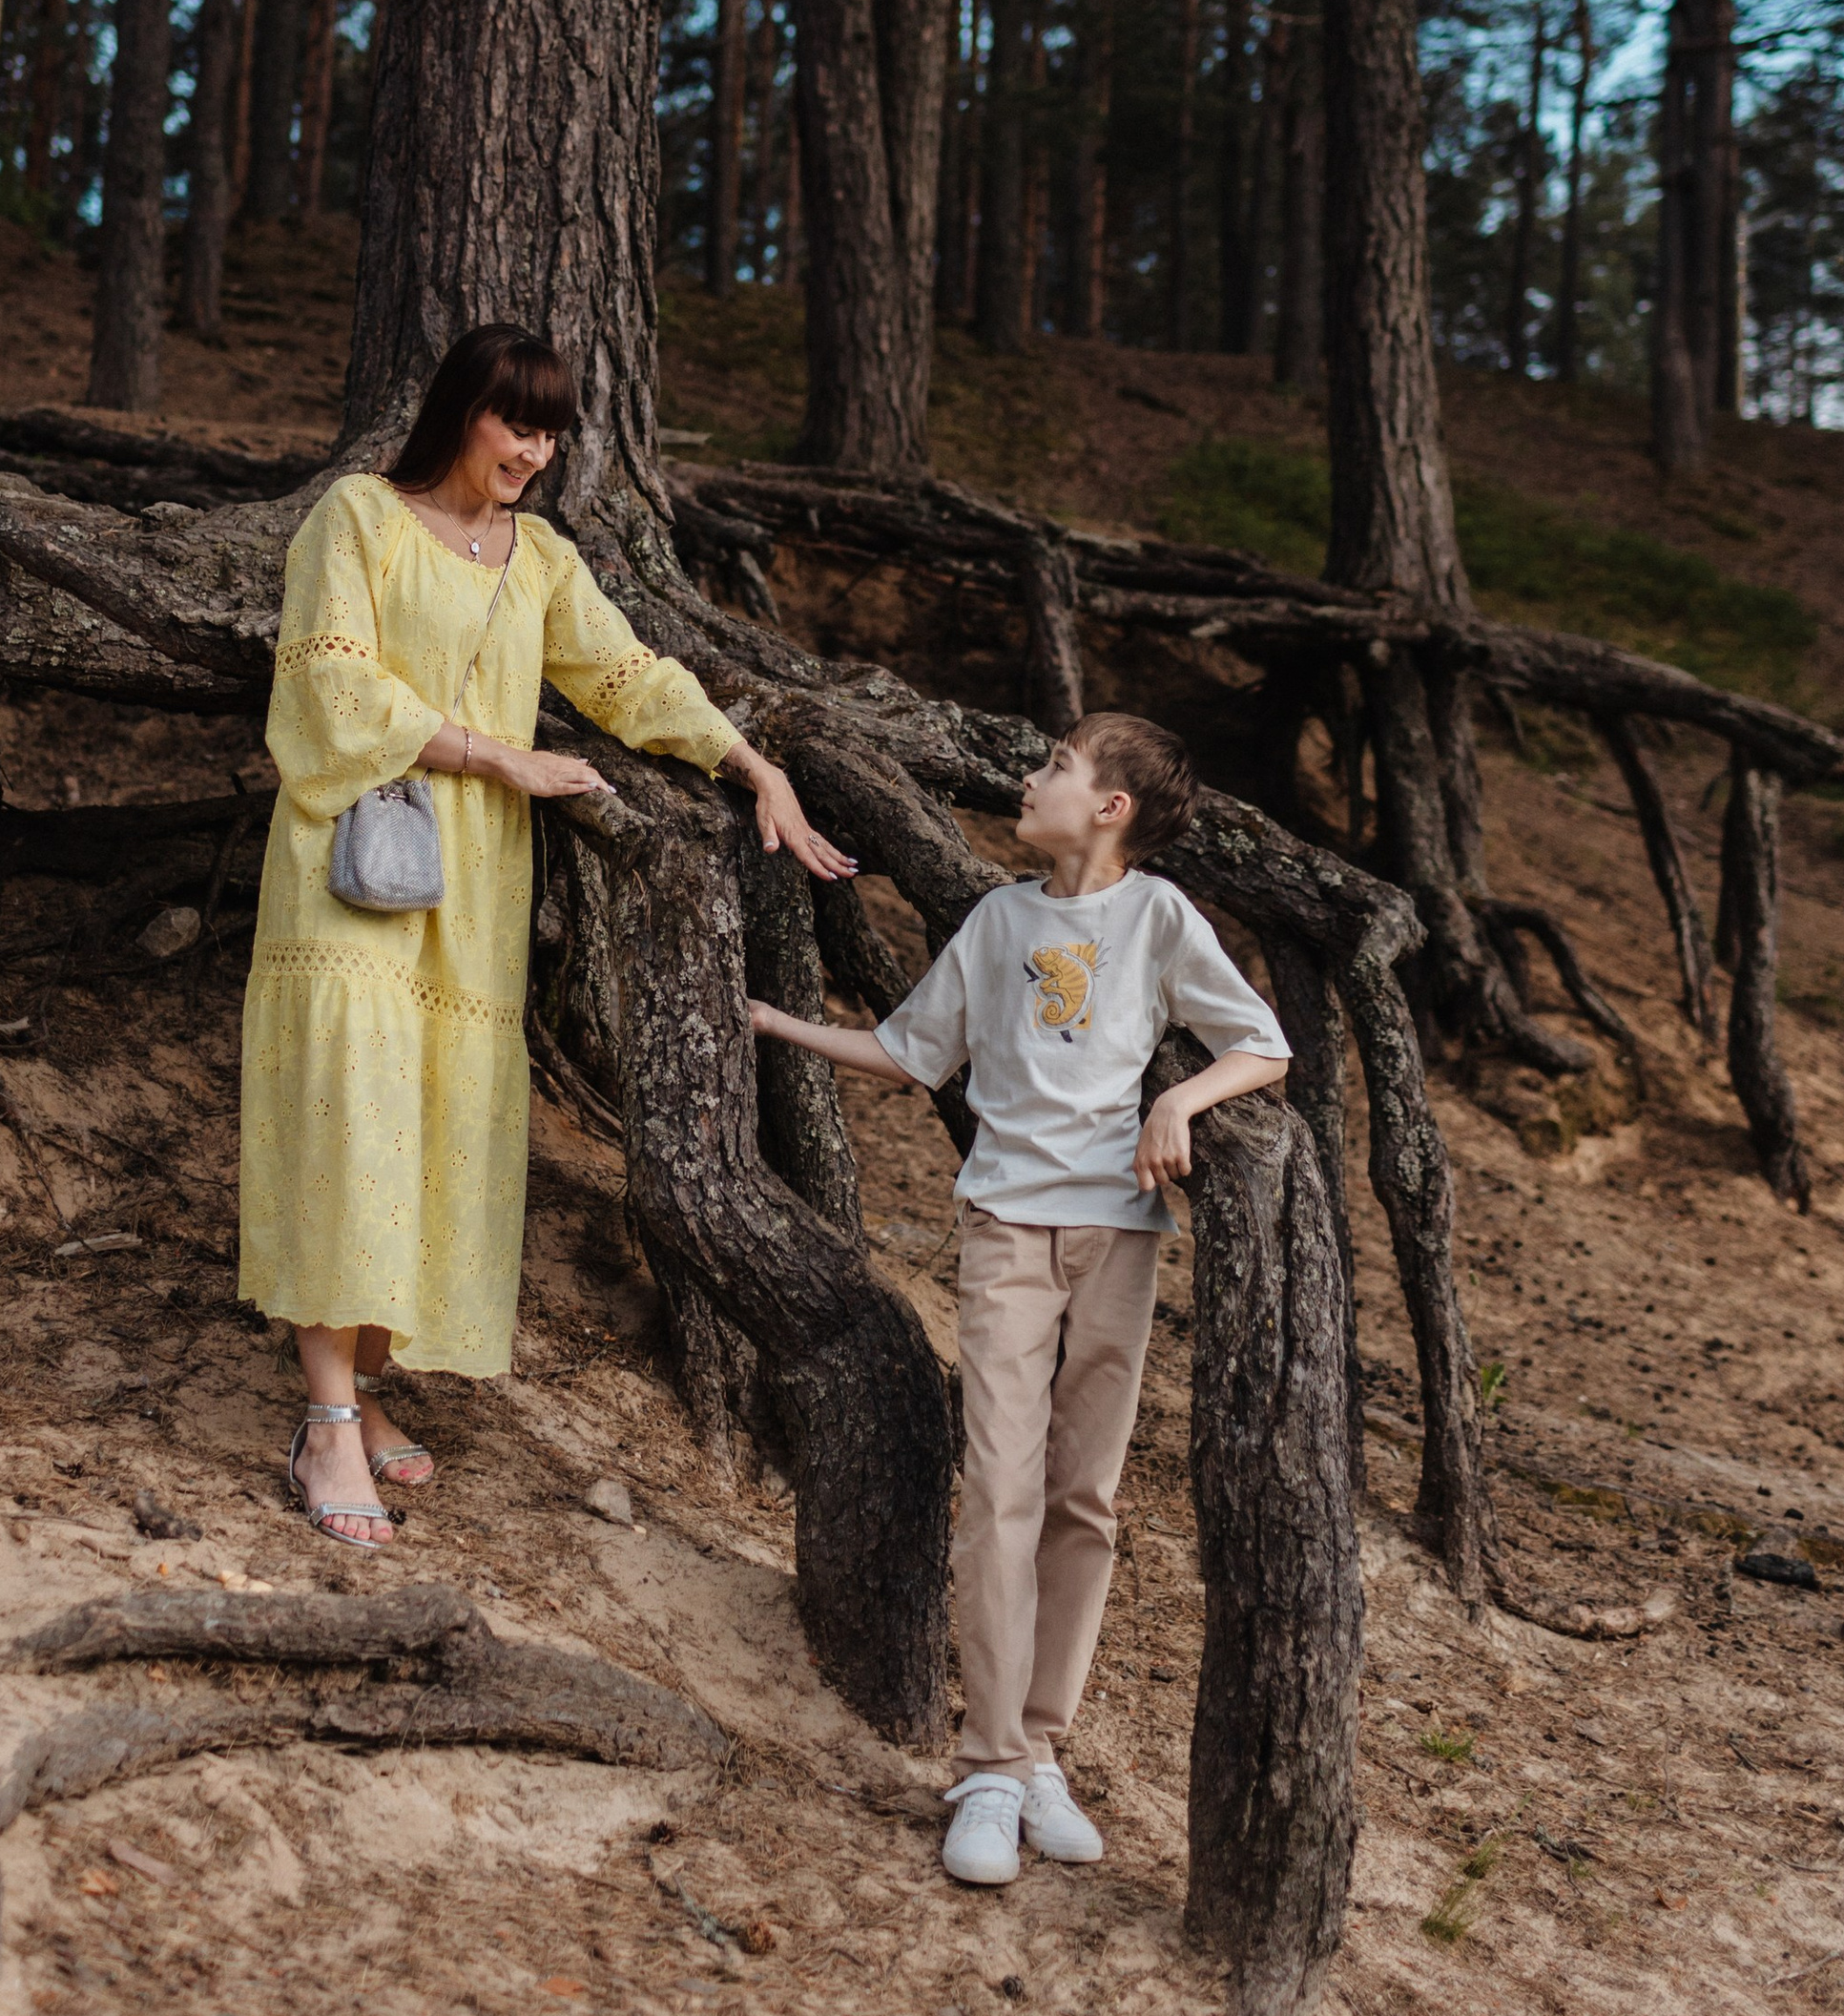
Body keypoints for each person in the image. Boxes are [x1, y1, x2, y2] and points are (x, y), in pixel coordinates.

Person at [242, 322, 855, 1547]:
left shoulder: (538, 559)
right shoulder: (355, 519)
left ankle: (359, 1391)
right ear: (460, 412)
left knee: (420, 1115)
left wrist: (751, 765)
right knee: (349, 1108)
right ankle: (321, 1422)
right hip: (353, 858)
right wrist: (496, 755)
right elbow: (330, 683)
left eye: (552, 428)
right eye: (515, 421)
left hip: (475, 885)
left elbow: (626, 677)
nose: (535, 448)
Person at [748, 709, 1289, 1888]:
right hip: (1004, 1233)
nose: (1030, 776)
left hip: (1121, 1239)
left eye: (1056, 764)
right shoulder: (998, 921)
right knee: (998, 1487)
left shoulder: (1157, 918)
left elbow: (1261, 1044)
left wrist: (1179, 1103)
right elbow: (910, 1053)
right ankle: (988, 1766)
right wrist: (773, 1022)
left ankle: (1043, 1746)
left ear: (1112, 808)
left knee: (1083, 1498)